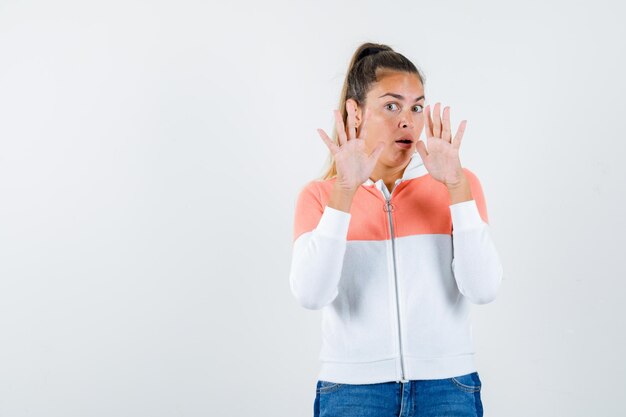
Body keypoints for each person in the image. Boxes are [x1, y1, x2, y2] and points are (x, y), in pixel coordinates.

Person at [289, 42, 503, 417]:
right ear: (355, 112)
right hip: (352, 391)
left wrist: (457, 189)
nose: (407, 120)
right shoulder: (322, 196)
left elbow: (483, 289)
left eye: (416, 107)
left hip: (448, 387)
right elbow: (311, 294)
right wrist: (344, 194)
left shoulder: (459, 185)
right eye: (391, 106)